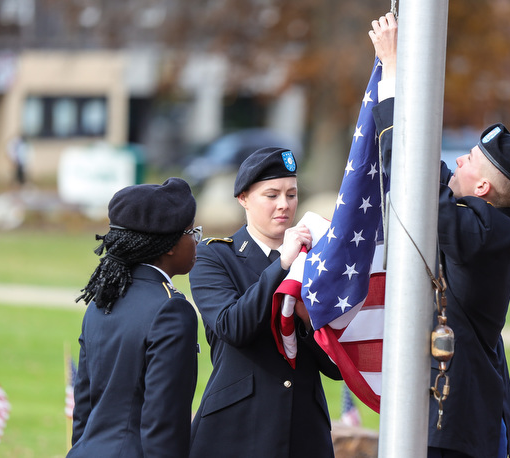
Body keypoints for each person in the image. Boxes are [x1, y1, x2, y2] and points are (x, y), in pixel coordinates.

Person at [369, 13, 510, 458]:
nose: (457, 164)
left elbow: (410, 175)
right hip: (459, 418)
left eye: (468, 160)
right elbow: (425, 167)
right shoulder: (488, 224)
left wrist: (391, 71)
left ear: (482, 189)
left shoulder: (481, 234)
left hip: (455, 426)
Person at [188, 147, 343, 457]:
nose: (284, 205)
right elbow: (234, 327)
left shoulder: (317, 261)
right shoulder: (215, 256)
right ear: (243, 198)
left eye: (291, 194)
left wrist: (309, 321)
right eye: (271, 195)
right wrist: (282, 264)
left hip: (303, 431)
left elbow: (336, 366)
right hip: (236, 430)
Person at [69, 177, 200, 457]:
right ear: (170, 245)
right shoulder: (171, 310)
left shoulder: (101, 300)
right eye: (192, 232)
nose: (196, 241)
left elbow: (83, 407)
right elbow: (164, 423)